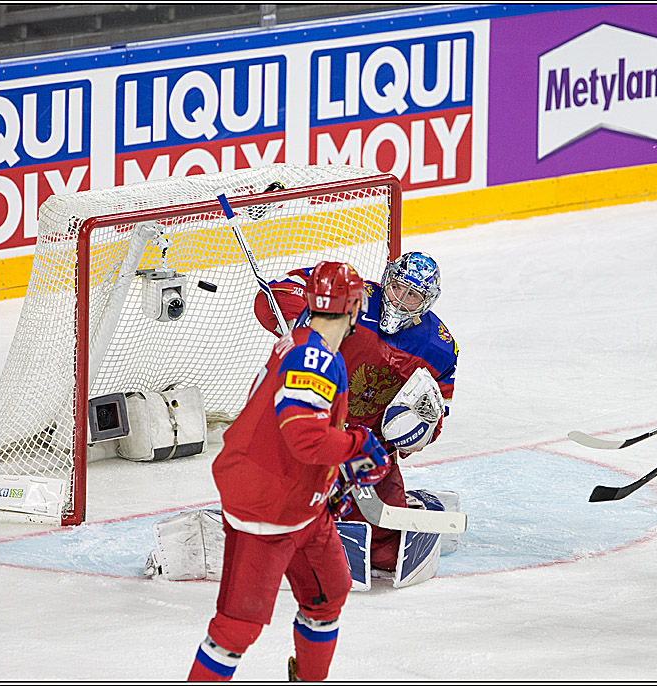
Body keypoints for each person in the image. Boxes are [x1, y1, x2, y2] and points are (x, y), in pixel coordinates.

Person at [188, 261, 391, 682]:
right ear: (354, 308)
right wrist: (357, 446)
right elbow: (305, 438)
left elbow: (294, 436)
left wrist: (330, 480)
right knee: (237, 626)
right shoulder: (313, 357)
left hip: (301, 503)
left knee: (327, 593)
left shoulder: (302, 344)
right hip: (266, 504)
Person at [253, 251, 458, 574]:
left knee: (387, 554)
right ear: (387, 280)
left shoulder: (439, 347)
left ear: (427, 302)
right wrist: (299, 321)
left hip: (367, 449)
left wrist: (417, 432)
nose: (400, 300)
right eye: (397, 288)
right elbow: (278, 291)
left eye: (412, 296)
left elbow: (436, 414)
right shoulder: (351, 294)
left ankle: (417, 506)